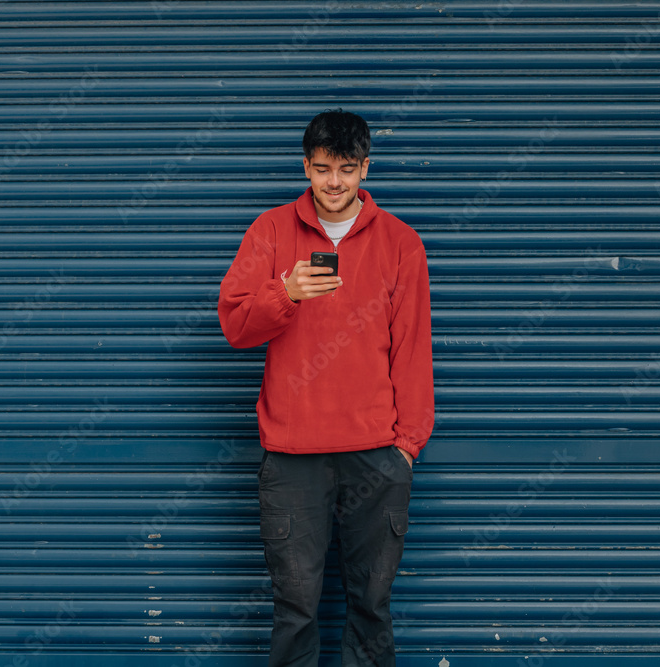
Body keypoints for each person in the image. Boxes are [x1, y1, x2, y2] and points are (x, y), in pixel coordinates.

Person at [217, 109, 434, 666]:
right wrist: (284, 292)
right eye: (321, 169)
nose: (333, 183)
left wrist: (406, 446)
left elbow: (412, 349)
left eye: (345, 169)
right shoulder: (269, 231)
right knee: (296, 610)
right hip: (292, 459)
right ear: (304, 167)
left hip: (376, 457)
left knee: (371, 607)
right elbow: (235, 326)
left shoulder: (402, 244)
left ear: (365, 168)